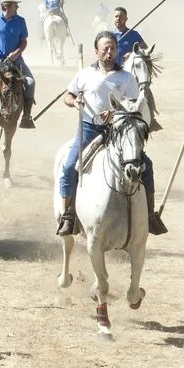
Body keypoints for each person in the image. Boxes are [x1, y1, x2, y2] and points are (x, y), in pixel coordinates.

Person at [56, 31, 165, 236]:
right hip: (89, 129)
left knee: (146, 165)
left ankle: (150, 216)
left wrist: (115, 112)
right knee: (70, 167)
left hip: (119, 131)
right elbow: (68, 95)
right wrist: (74, 102)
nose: (109, 51)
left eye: (112, 48)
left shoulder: (127, 78)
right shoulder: (84, 74)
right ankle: (68, 216)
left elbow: (134, 105)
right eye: (105, 48)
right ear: (96, 51)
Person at [0, 0, 36, 129]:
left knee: (30, 82)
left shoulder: (20, 21)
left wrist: (16, 53)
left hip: (16, 61)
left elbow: (23, 42)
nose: (18, 7)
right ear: (6, 6)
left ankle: (26, 116)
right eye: (15, 5)